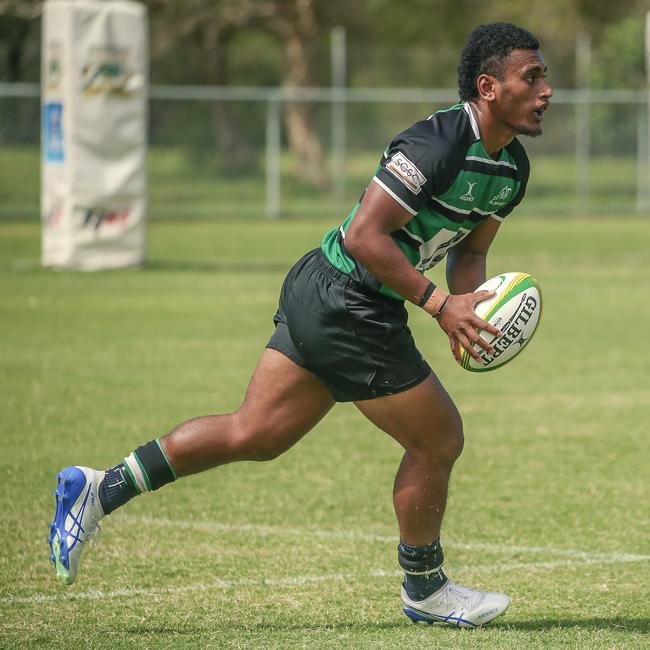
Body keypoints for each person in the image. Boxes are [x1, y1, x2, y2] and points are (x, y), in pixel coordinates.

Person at [48, 22, 552, 629]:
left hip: (340, 295)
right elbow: (364, 235)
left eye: (544, 76)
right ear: (489, 86)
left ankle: (98, 490)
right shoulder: (435, 144)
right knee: (438, 438)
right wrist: (440, 305)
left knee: (254, 433)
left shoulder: (513, 171)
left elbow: (470, 251)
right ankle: (425, 588)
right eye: (533, 76)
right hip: (347, 295)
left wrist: (470, 309)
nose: (547, 89)